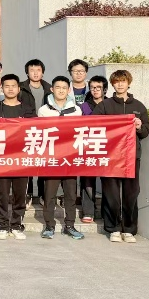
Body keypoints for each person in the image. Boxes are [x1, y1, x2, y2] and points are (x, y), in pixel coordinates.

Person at [93, 70, 149, 244]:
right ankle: (113, 228)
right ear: (112, 84)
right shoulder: (104, 105)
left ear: (128, 83)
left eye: (123, 81)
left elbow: (145, 132)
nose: (120, 84)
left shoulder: (139, 106)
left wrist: (139, 126)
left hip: (131, 156)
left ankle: (129, 229)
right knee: (111, 194)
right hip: (110, 156)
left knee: (131, 193)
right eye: (117, 81)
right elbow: (94, 126)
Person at [37, 76, 85, 241]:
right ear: (52, 89)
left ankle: (69, 225)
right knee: (49, 194)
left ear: (69, 90)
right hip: (52, 157)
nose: (61, 90)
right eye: (58, 87)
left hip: (70, 158)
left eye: (64, 88)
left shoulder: (76, 110)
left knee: (71, 194)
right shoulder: (44, 110)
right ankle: (49, 225)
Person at [0, 74, 35, 241]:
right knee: (1, 194)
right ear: (2, 88)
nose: (10, 89)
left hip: (22, 159)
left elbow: (35, 131)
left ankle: (16, 225)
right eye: (6, 86)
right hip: (1, 159)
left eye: (13, 86)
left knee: (19, 194)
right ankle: (2, 225)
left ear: (18, 88)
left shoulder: (28, 110)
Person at [21, 59, 52, 203]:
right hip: (27, 131)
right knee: (27, 163)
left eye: (38, 70)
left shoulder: (49, 89)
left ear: (43, 72)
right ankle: (27, 194)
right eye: (32, 70)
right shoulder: (21, 88)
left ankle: (41, 194)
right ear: (27, 72)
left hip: (45, 130)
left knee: (43, 163)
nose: (35, 73)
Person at [78, 75, 108, 223]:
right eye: (92, 88)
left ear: (105, 89)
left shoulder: (110, 105)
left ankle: (106, 211)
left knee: (108, 181)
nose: (95, 90)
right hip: (88, 146)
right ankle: (88, 211)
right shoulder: (83, 107)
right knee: (87, 180)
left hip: (107, 146)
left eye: (98, 88)